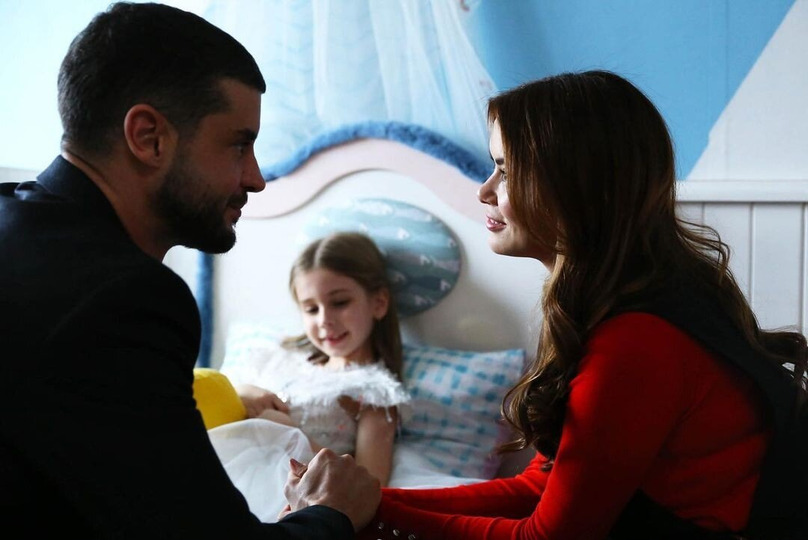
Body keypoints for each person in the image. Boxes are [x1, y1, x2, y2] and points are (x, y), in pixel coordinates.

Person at [357, 70, 808, 540]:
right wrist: (371, 501)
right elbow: (540, 486)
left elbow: (548, 536)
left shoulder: (637, 340)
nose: (484, 190)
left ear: (575, 187)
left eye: (506, 171)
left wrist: (370, 514)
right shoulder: (634, 298)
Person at [0, 3, 379, 538]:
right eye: (239, 144)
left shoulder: (16, 222)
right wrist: (331, 512)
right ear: (149, 137)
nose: (256, 178)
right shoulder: (123, 297)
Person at [206, 232, 411, 522]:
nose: (324, 320)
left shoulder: (374, 392)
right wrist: (244, 392)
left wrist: (288, 432)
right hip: (221, 468)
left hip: (284, 495)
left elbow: (368, 490)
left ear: (378, 303)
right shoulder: (278, 359)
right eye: (311, 309)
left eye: (340, 303)